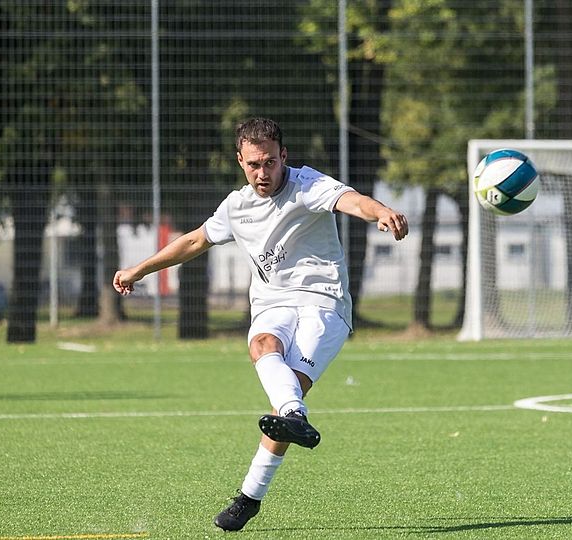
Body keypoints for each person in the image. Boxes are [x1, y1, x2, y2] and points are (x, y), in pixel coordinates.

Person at [113, 117, 409, 532]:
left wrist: (382, 212)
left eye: (270, 162)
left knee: (287, 397)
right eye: (253, 164)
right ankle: (293, 417)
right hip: (272, 304)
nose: (262, 172)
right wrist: (140, 269)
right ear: (240, 161)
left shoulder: (308, 185)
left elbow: (353, 201)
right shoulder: (237, 206)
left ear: (283, 156)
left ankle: (249, 496)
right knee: (263, 347)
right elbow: (195, 240)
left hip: (323, 303)